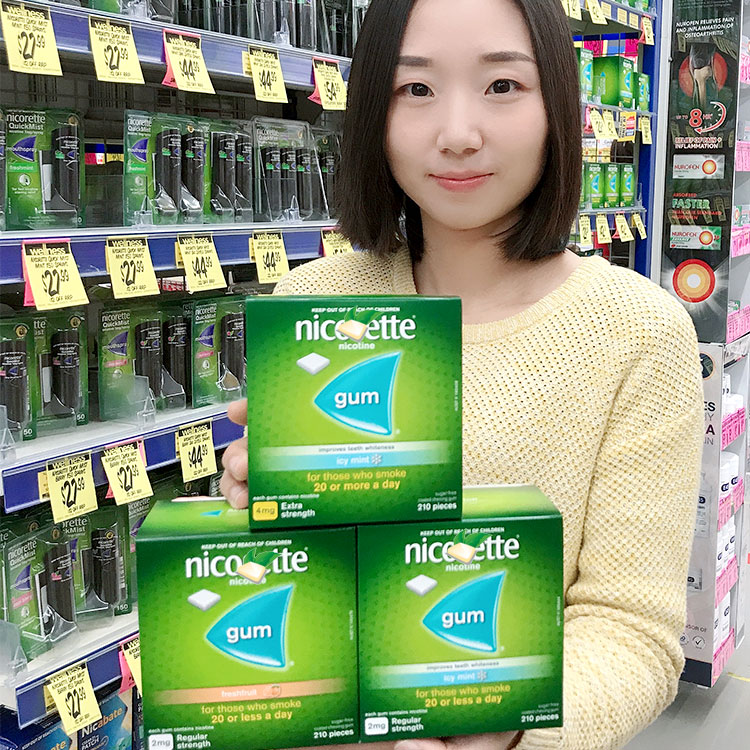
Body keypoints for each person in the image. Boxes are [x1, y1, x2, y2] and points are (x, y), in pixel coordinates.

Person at [220, 0, 704, 748]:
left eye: (502, 86)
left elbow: (630, 629)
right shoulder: (313, 302)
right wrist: (258, 517)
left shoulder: (637, 332)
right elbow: (285, 601)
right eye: (415, 89)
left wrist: (504, 727)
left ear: (556, 104)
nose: (456, 134)